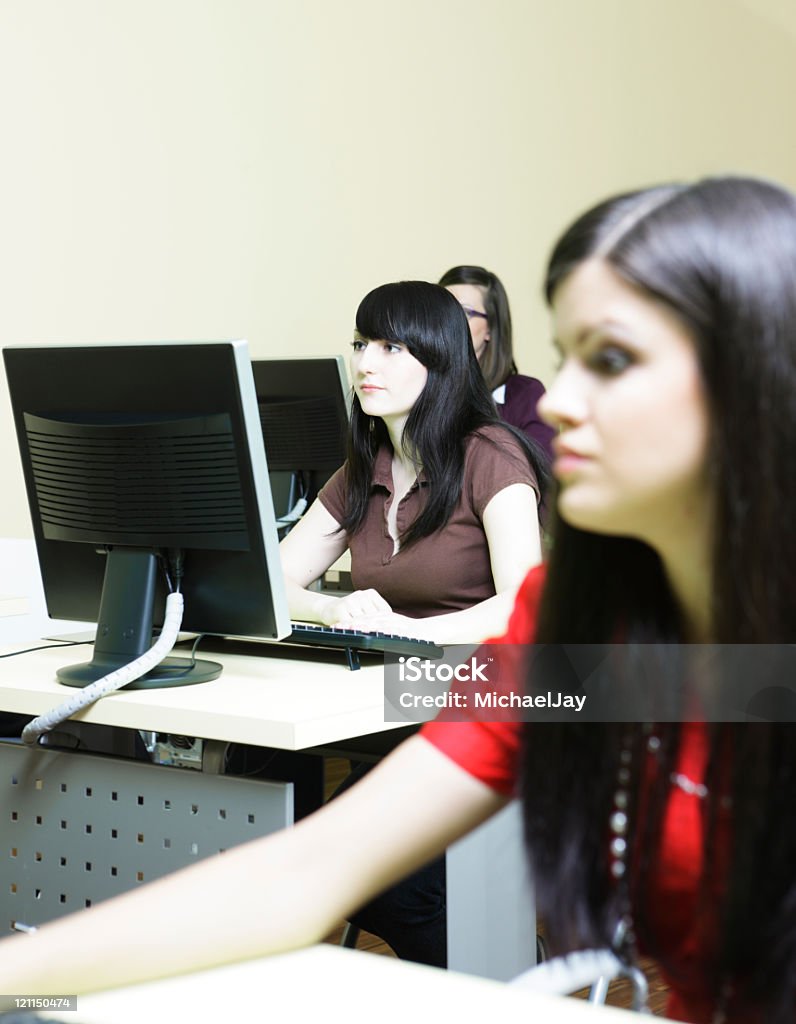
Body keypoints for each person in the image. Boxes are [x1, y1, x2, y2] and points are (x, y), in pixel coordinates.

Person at [2, 175, 795, 1024]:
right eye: (567, 359)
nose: (557, 403)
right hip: (411, 687)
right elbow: (308, 872)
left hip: (423, 681)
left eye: (610, 360)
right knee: (287, 798)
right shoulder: (571, 622)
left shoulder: (492, 458)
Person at [280, 279, 545, 644]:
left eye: (391, 347)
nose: (364, 364)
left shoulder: (493, 456)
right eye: (360, 345)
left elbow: (523, 605)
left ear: (440, 359)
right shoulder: (365, 468)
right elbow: (272, 580)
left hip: (479, 680)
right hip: (391, 677)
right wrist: (329, 609)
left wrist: (414, 633)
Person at [439, 264, 555, 461]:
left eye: (465, 312)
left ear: (490, 329)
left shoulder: (525, 394)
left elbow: (543, 475)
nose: (450, 321)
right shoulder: (414, 388)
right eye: (443, 310)